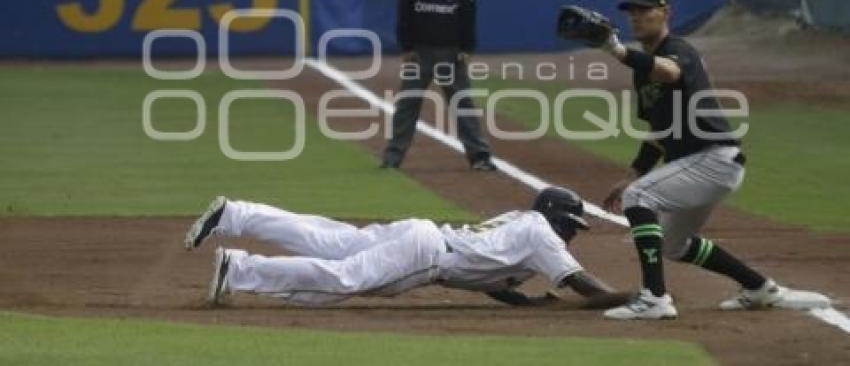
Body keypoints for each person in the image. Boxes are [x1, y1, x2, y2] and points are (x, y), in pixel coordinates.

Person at [593, 0, 830, 319]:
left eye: (645, 10)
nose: (637, 17)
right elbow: (659, 131)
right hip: (700, 163)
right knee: (674, 244)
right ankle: (760, 287)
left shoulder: (679, 50)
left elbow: (670, 71)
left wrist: (618, 51)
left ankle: (654, 298)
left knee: (639, 198)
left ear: (666, 13)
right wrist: (631, 174)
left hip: (712, 159)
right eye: (632, 12)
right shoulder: (644, 73)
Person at [185, 188, 632, 308]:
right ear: (557, 218)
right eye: (571, 225)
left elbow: (488, 278)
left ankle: (235, 214)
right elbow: (581, 284)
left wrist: (525, 301)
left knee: (330, 238)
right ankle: (240, 271)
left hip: (421, 233)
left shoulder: (523, 224)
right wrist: (635, 297)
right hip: (426, 255)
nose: (572, 234)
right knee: (344, 280)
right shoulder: (543, 236)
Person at [381, 0, 496, 171]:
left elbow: (468, 14)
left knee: (463, 104)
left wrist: (467, 47)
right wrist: (407, 46)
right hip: (420, 52)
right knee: (407, 105)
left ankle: (480, 156)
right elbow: (404, 13)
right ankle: (392, 157)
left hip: (452, 54)